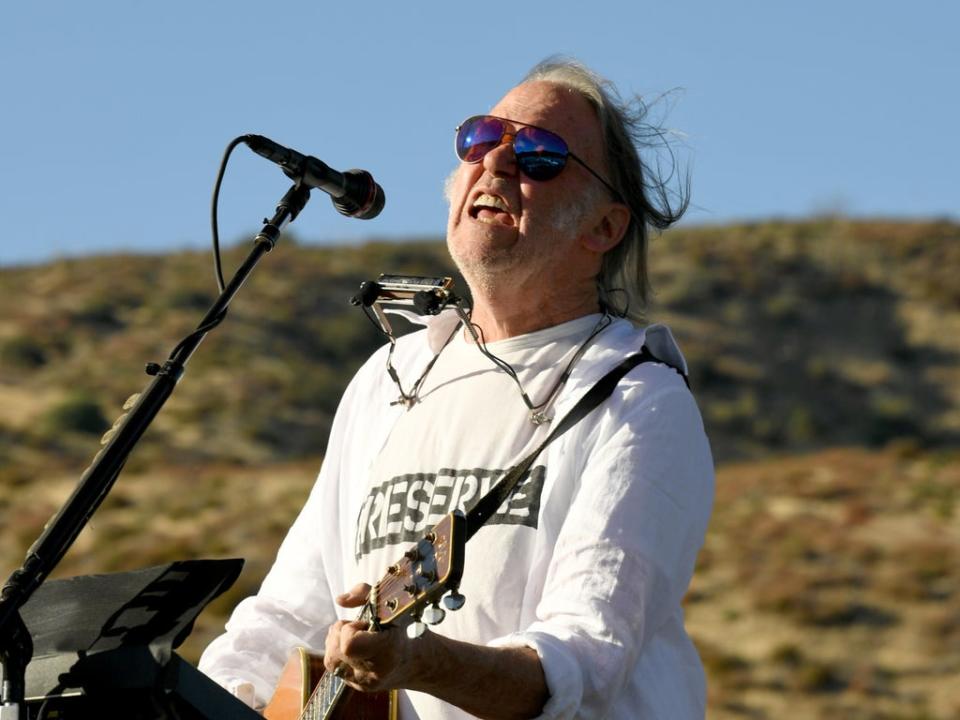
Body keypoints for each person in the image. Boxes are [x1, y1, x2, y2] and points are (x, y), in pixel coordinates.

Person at [199, 58, 714, 719]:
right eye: (481, 139)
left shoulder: (634, 398)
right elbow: (286, 617)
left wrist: (422, 663)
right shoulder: (390, 378)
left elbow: (583, 661)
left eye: (538, 155)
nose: (496, 164)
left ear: (604, 228)